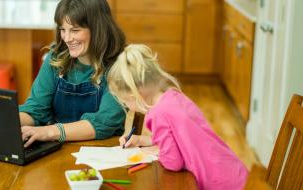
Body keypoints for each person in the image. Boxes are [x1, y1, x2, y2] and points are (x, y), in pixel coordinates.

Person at [107, 44, 248, 190]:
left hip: (219, 184)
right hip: (233, 173)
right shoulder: (173, 96)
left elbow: (173, 162)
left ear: (137, 94)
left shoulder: (158, 114)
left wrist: (154, 151)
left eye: (126, 101)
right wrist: (142, 140)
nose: (128, 106)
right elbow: (181, 137)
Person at [19, 0, 126, 147]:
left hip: (101, 152)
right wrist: (6, 119)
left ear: (98, 29)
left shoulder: (120, 65)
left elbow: (104, 122)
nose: (67, 38)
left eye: (75, 30)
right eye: (63, 29)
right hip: (58, 151)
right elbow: (36, 110)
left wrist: (49, 132)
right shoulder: (56, 58)